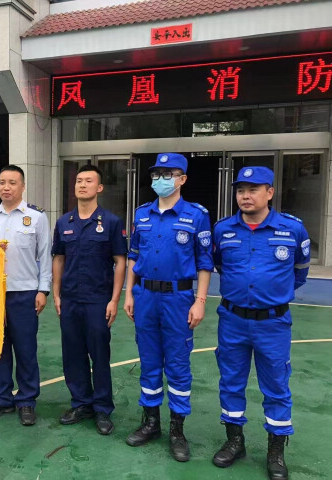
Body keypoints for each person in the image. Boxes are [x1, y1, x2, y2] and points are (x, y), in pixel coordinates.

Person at [212, 166, 309, 480]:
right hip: (232, 321)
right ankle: (234, 441)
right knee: (231, 382)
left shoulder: (292, 229)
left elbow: (300, 272)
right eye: (241, 190)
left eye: (253, 189)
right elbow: (220, 265)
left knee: (277, 386)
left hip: (273, 323)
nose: (245, 196)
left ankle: (275, 451)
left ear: (270, 192)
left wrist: (272, 295)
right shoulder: (223, 230)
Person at [123, 153, 213, 462]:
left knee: (177, 364)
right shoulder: (142, 214)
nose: (160, 179)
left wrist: (200, 301)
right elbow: (134, 255)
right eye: (156, 174)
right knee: (149, 361)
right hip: (145, 296)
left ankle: (177, 429)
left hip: (178, 299)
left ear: (182, 179)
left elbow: (204, 263)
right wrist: (129, 294)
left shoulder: (197, 215)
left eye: (168, 174)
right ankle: (151, 423)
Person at [52, 164, 127, 435]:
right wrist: (56, 294)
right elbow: (59, 259)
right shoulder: (64, 223)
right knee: (73, 355)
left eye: (88, 181)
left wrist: (114, 300)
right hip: (70, 300)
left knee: (99, 355)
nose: (82, 185)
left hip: (98, 300)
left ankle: (102, 408)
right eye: (79, 181)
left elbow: (120, 261)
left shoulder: (111, 222)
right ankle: (81, 403)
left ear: (100, 187)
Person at [0, 165, 51, 426]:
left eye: (12, 182)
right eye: (2, 182)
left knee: (26, 349)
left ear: (22, 186)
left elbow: (45, 255)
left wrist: (43, 290)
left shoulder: (36, 217)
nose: (6, 187)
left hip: (25, 293)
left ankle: (27, 400)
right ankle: (3, 398)